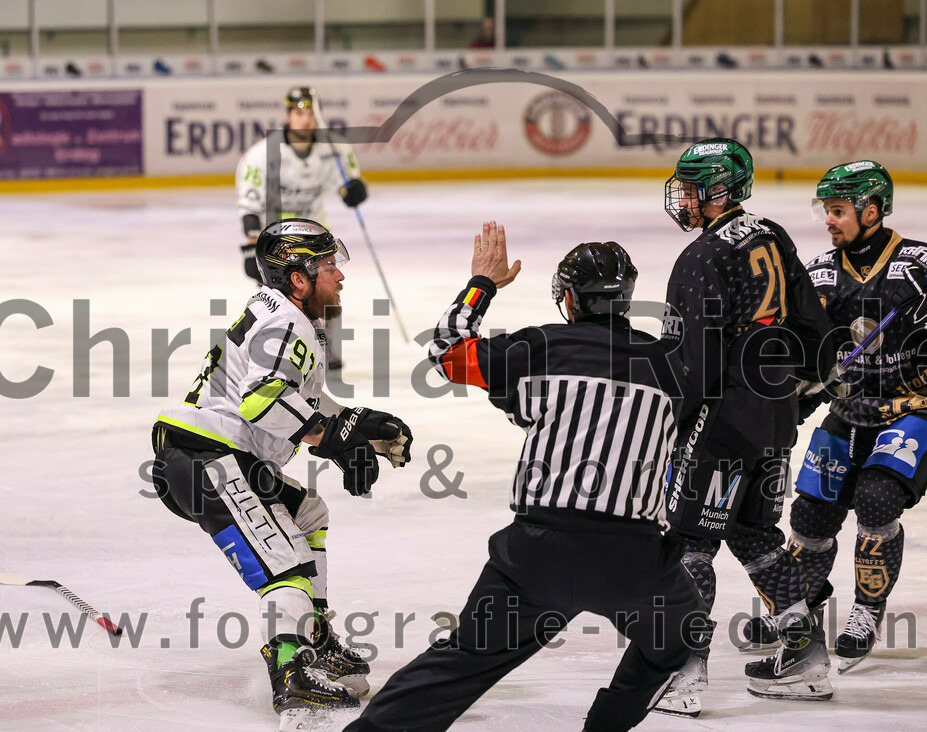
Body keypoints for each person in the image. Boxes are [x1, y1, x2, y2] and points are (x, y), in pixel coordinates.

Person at [344, 223, 705, 732]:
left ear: (569, 298)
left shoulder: (537, 347)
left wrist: (481, 284)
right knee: (681, 636)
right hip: (636, 563)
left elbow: (447, 352)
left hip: (537, 555)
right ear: (625, 298)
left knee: (461, 662)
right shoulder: (672, 367)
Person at [150, 219, 412, 727]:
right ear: (298, 277)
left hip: (211, 455)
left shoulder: (281, 313)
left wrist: (362, 432)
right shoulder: (286, 322)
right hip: (209, 456)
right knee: (284, 561)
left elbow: (298, 398)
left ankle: (313, 634)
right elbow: (261, 399)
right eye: (330, 265)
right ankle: (291, 671)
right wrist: (335, 440)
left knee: (308, 512)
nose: (340, 276)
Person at [781, 160, 927, 671]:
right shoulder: (822, 274)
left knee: (875, 497)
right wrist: (803, 387)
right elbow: (809, 351)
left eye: (839, 211)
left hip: (920, 405)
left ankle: (866, 610)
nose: (829, 220)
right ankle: (804, 598)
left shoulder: (919, 263)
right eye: (826, 210)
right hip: (854, 407)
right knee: (810, 512)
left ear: (871, 211)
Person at [657, 138, 835, 710]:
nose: (682, 198)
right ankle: (806, 660)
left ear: (719, 191)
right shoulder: (772, 233)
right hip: (774, 416)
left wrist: (675, 423)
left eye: (690, 188)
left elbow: (697, 359)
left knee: (690, 542)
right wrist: (812, 379)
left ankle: (680, 672)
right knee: (756, 537)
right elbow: (812, 320)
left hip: (722, 420)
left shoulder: (702, 257)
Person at [235, 86, 368, 369]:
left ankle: (325, 348)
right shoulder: (262, 154)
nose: (304, 119)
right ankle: (271, 349)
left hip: (317, 237)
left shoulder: (333, 150)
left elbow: (348, 185)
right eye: (298, 112)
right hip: (278, 240)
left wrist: (354, 191)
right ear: (287, 115)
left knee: (326, 290)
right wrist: (250, 247)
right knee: (279, 301)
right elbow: (250, 203)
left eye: (309, 112)